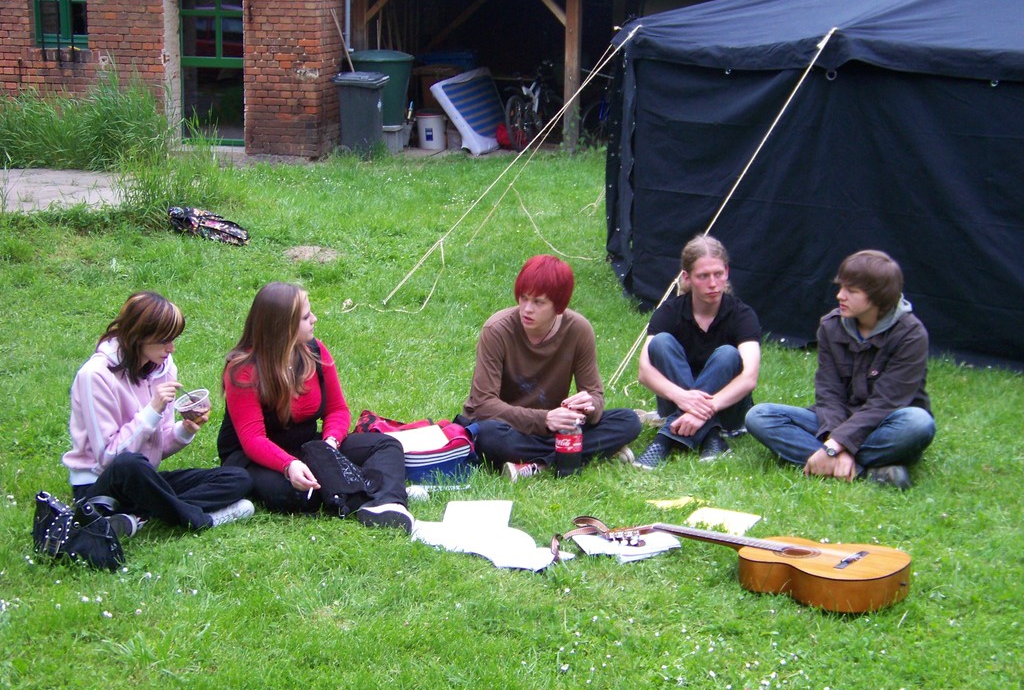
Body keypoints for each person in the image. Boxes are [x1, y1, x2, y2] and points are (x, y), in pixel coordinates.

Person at [218, 282, 413, 531]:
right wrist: (289, 465)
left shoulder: (314, 350)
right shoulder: (243, 369)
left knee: (386, 444)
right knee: (295, 495)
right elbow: (253, 439)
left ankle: (388, 502)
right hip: (255, 456)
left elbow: (338, 410)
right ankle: (372, 485)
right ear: (282, 327)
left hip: (309, 446)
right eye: (306, 316)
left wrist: (330, 445)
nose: (314, 319)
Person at [63, 292, 254, 537]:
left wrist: (184, 430)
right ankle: (200, 519)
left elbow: (157, 446)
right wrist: (151, 411)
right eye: (164, 340)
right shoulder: (95, 376)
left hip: (145, 480)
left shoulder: (164, 367)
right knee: (129, 464)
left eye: (173, 339)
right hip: (101, 484)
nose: (171, 348)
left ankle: (139, 516)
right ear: (139, 336)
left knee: (238, 477)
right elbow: (108, 457)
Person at [745, 249, 935, 489]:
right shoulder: (831, 326)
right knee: (759, 416)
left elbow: (885, 405)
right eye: (841, 287)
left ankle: (825, 461)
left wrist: (835, 446)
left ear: (878, 297)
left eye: (851, 291)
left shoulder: (911, 334)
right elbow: (829, 395)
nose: (840, 295)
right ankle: (869, 472)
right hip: (835, 421)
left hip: (885, 424)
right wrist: (835, 444)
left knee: (918, 423)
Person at [459, 254, 642, 481]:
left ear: (559, 305)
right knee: (487, 438)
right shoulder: (497, 329)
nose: (527, 309)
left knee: (628, 420)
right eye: (523, 298)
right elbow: (484, 405)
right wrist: (545, 419)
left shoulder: (579, 330)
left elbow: (595, 397)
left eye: (538, 302)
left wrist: (589, 406)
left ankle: (537, 465)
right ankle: (580, 452)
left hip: (554, 427)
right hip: (507, 426)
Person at [633, 234, 762, 468]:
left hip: (727, 409)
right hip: (675, 400)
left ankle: (664, 440)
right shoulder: (669, 311)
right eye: (703, 276)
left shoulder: (742, 315)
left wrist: (703, 408)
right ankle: (712, 438)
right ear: (687, 277)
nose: (713, 283)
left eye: (718, 274)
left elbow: (749, 377)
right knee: (660, 342)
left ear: (727, 272)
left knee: (728, 354)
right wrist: (682, 397)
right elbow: (644, 371)